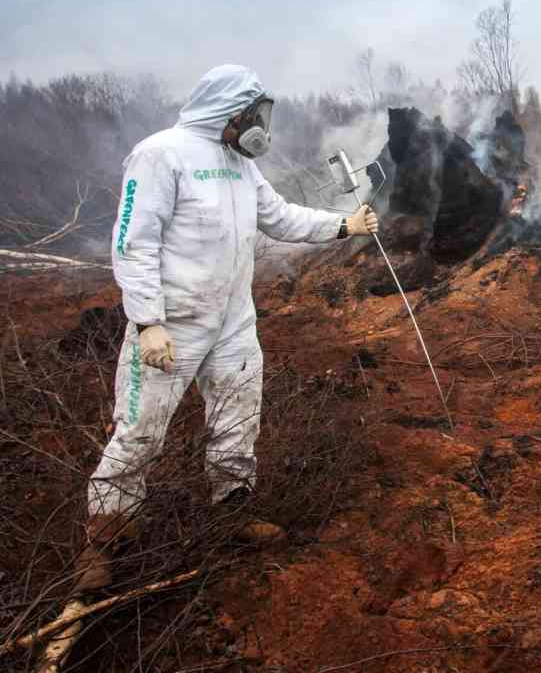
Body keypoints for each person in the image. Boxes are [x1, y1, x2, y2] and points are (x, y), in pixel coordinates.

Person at [76, 65, 378, 592]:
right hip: (172, 327)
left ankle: (231, 515)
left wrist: (341, 225)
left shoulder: (239, 163)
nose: (260, 124)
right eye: (254, 113)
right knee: (140, 431)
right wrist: (147, 322)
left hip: (233, 322)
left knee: (238, 420)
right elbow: (133, 242)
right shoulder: (160, 155)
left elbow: (278, 217)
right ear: (229, 111)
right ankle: (104, 540)